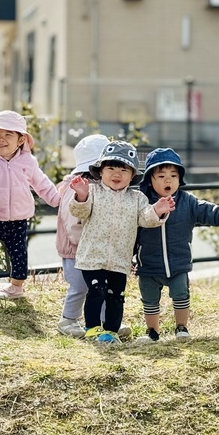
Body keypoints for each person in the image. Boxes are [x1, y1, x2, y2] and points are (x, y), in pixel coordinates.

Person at [68, 140, 175, 344]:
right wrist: (81, 196)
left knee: (116, 295)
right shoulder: (93, 192)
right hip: (92, 255)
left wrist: (157, 210)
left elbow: (146, 218)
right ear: (100, 171)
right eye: (111, 168)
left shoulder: (137, 198)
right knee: (97, 290)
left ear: (132, 175)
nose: (117, 174)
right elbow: (80, 212)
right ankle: (92, 328)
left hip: (119, 258)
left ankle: (111, 331)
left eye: (123, 169)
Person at [134, 148, 219, 343]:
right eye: (162, 176)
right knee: (149, 300)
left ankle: (181, 327)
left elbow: (208, 210)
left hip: (178, 263)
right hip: (148, 264)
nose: (168, 180)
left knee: (181, 296)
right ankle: (152, 332)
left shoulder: (187, 202)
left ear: (180, 179)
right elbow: (130, 231)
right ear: (150, 179)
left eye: (173, 175)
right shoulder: (141, 202)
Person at [0, 110, 60, 300]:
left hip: (18, 219)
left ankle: (16, 287)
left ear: (21, 140)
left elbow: (42, 184)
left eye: (8, 135)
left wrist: (58, 201)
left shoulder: (28, 162)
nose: (1, 139)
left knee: (19, 254)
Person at [55, 134, 131, 339]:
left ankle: (107, 324)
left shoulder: (103, 188)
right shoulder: (79, 187)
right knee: (80, 286)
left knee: (102, 287)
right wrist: (89, 243)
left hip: (95, 251)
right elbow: (74, 224)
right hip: (76, 249)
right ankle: (68, 319)